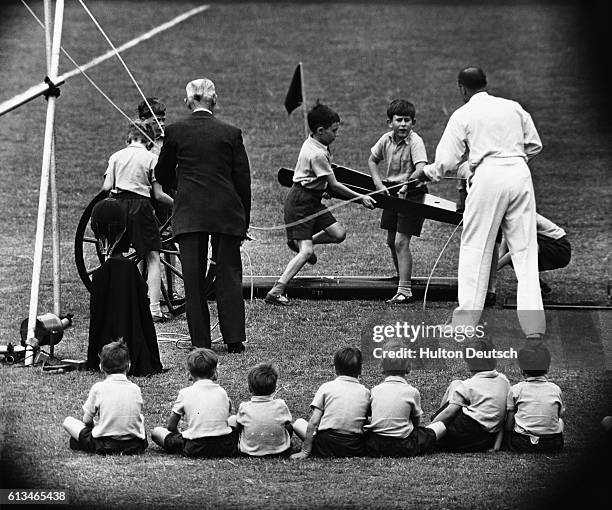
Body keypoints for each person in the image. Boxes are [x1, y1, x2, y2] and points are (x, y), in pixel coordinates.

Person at [411, 66, 545, 341]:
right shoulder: (513, 107)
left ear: (462, 88)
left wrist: (425, 172)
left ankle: (464, 323)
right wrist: (511, 160)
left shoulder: (463, 114)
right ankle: (534, 327)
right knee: (525, 250)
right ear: (486, 83)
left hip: (488, 176)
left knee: (475, 247)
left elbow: (446, 161)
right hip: (520, 173)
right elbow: (534, 145)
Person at [155, 78, 251, 353]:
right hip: (226, 212)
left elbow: (161, 175)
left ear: (188, 101)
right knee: (229, 275)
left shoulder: (175, 131)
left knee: (194, 281)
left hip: (190, 213)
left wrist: (185, 184)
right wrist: (242, 220)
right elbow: (242, 180)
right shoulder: (231, 133)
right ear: (214, 100)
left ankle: (200, 341)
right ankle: (234, 339)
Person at [265, 103, 375, 306]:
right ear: (320, 131)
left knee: (338, 234)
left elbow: (313, 177)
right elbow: (335, 184)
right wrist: (361, 198)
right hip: (301, 203)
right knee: (306, 253)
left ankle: (298, 242)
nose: (336, 135)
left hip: (312, 199)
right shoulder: (317, 154)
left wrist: (320, 187)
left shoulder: (315, 143)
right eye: (334, 131)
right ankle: (276, 290)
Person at [101, 121, 174, 322]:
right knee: (152, 258)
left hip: (117, 207)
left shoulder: (116, 156)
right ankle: (154, 309)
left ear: (128, 139)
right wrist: (178, 204)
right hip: (141, 207)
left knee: (113, 255)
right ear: (149, 141)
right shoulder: (151, 158)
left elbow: (107, 186)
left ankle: (112, 303)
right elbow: (159, 195)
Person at [367, 99, 428, 303]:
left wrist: (407, 184)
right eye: (399, 120)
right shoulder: (386, 139)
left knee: (401, 242)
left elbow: (421, 169)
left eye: (407, 120)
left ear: (414, 122)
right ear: (389, 122)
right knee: (391, 242)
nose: (403, 124)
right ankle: (402, 279)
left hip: (412, 195)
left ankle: (405, 290)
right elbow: (372, 160)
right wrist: (378, 183)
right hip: (392, 193)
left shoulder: (415, 141)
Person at [63, 340, 148, 455]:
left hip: (105, 445)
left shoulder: (98, 388)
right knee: (140, 418)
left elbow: (87, 420)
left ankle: (82, 441)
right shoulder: (135, 389)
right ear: (128, 366)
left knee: (68, 421)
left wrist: (94, 427)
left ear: (101, 367)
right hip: (135, 444)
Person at [364, 340, 446, 457]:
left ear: (382, 364)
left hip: (375, 446)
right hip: (404, 446)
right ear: (408, 365)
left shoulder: (375, 390)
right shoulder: (412, 392)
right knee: (440, 427)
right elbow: (416, 424)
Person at [151, 348, 237, 457]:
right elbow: (228, 413)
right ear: (215, 373)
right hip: (225, 446)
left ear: (189, 374)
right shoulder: (222, 392)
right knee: (233, 419)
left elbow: (171, 426)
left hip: (196, 446)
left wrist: (179, 436)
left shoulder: (185, 393)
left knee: (157, 431)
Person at [431, 339, 511, 452]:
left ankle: (433, 426)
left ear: (469, 363)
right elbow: (504, 416)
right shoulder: (505, 382)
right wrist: (497, 446)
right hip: (485, 439)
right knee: (455, 383)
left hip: (462, 436)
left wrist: (428, 430)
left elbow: (449, 413)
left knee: (451, 405)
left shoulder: (468, 386)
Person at [291, 346, 370, 459]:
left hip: (326, 445)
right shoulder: (365, 392)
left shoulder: (326, 387)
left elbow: (313, 422)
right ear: (360, 370)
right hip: (354, 447)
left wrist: (305, 451)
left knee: (298, 423)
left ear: (335, 369)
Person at [490, 213, 571, 297]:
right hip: (544, 245)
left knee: (521, 254)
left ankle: (535, 288)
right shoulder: (508, 221)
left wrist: (494, 269)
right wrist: (492, 268)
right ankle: (540, 286)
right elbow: (504, 249)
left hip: (560, 249)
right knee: (515, 255)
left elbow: (521, 249)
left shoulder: (523, 218)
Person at [505, 345, 564, 453]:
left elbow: (509, 422)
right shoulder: (555, 389)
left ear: (522, 370)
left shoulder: (516, 390)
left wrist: (507, 437)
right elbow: (559, 415)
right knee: (560, 421)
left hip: (523, 443)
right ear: (547, 368)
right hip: (553, 443)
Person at [229, 362, 293, 458]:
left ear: (250, 388)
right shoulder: (281, 405)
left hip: (249, 453)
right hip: (281, 452)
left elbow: (239, 427)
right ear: (274, 388)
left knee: (233, 420)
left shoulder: (244, 407)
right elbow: (288, 426)